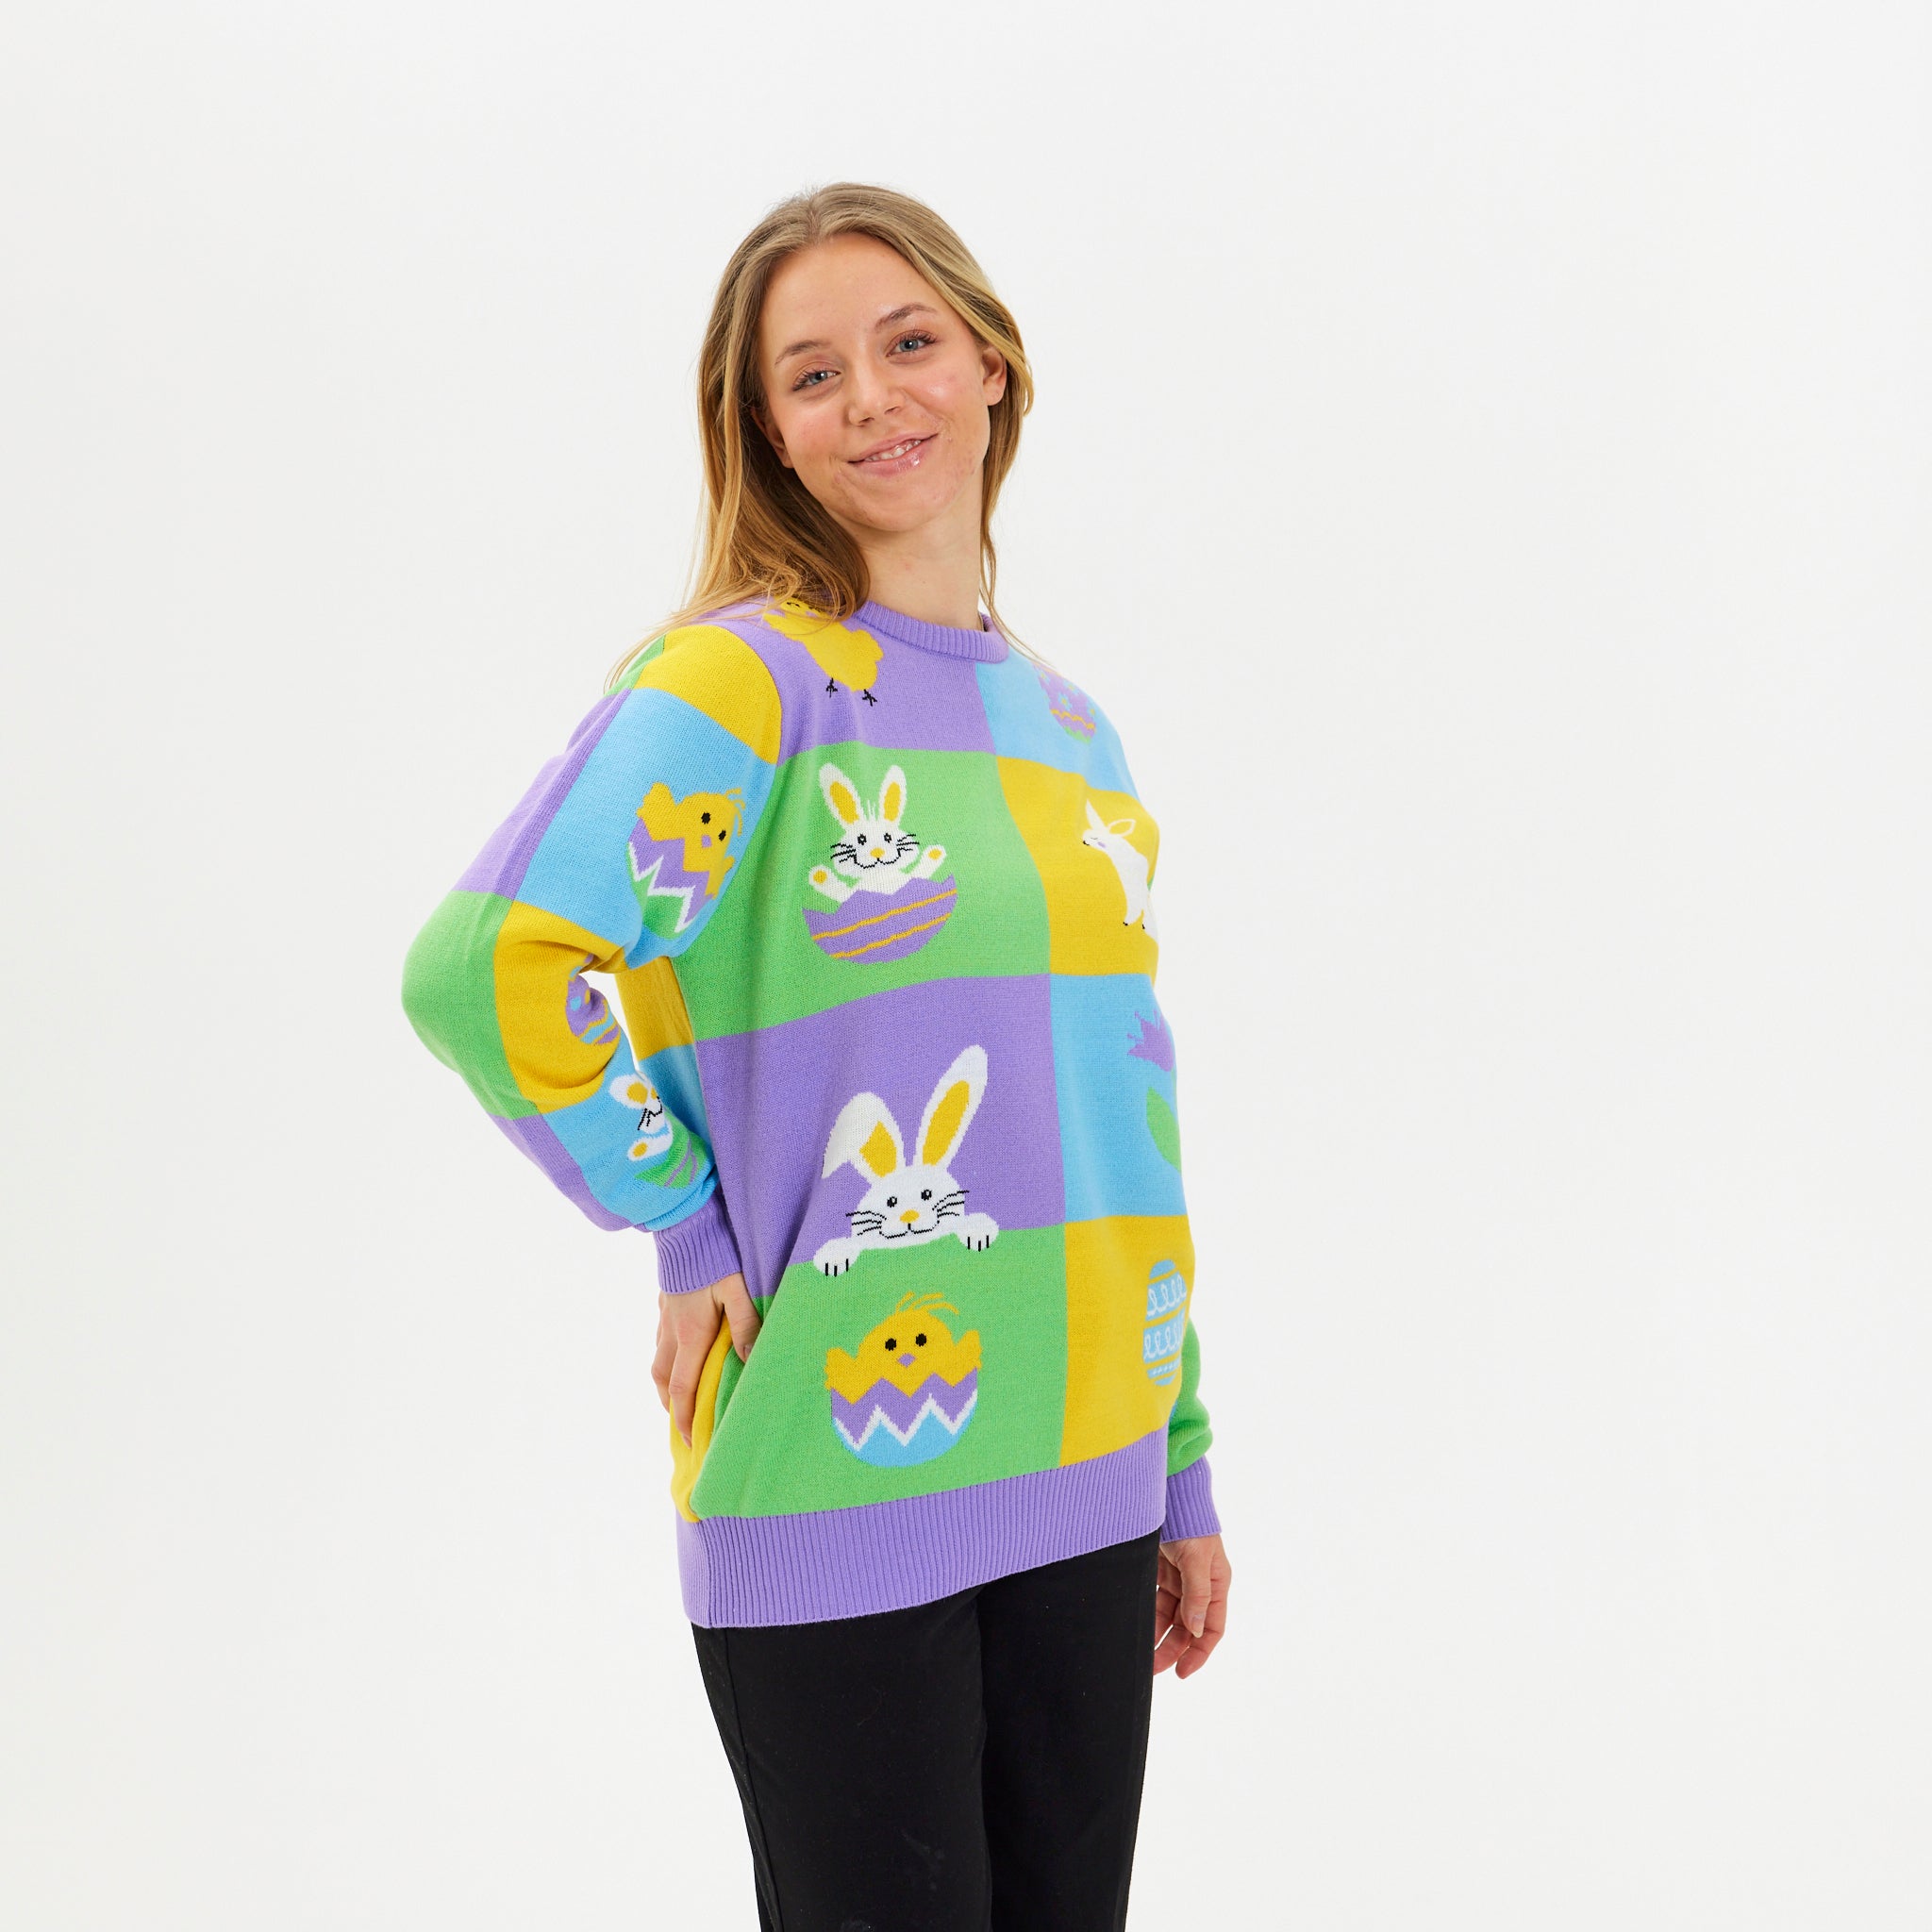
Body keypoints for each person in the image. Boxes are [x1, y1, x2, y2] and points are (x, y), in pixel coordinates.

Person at [401, 181, 1232, 1931]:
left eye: (909, 341)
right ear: (766, 431)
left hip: (1090, 1474)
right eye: (812, 374)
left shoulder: (1072, 733)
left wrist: (1182, 1461)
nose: (872, 398)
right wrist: (680, 1219)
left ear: (992, 365)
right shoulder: (747, 681)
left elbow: (1126, 1118)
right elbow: (490, 965)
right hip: (835, 1477)